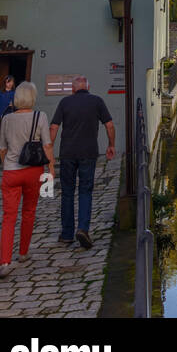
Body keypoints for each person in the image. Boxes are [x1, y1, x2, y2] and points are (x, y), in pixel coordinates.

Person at [0, 81, 55, 278]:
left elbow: (2, 148)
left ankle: (4, 261)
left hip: (11, 171)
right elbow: (47, 145)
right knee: (29, 212)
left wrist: (7, 166)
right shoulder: (41, 116)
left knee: (8, 217)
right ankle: (23, 253)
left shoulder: (7, 119)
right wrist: (51, 169)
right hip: (33, 171)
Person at [49, 76, 115, 249]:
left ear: (73, 89)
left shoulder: (65, 102)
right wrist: (111, 145)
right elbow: (109, 125)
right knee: (85, 191)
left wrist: (48, 150)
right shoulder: (97, 101)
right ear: (89, 87)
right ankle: (83, 229)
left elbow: (54, 127)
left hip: (67, 153)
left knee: (68, 192)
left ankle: (67, 234)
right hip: (88, 152)